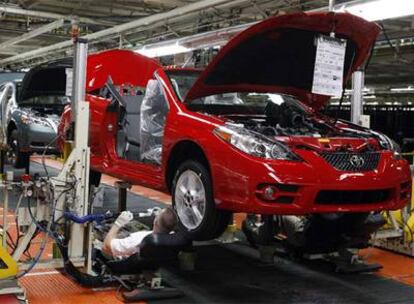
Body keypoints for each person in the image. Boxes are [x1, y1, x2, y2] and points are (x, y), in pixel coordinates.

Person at [103, 207, 178, 258]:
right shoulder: (174, 239)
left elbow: (106, 247)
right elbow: (168, 221)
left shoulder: (138, 240)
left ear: (155, 221)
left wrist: (118, 223)